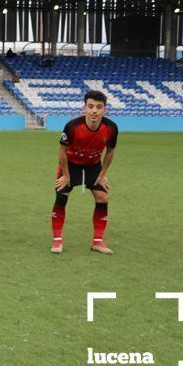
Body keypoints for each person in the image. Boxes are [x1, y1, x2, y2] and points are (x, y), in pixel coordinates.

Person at [50, 91, 117, 255]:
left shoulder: (111, 128)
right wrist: (66, 175)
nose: (94, 111)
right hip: (70, 165)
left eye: (99, 107)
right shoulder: (72, 126)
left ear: (104, 109)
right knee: (62, 194)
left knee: (103, 197)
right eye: (91, 106)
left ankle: (98, 242)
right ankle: (57, 240)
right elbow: (62, 151)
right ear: (84, 108)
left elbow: (109, 152)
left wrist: (101, 175)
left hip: (93, 166)